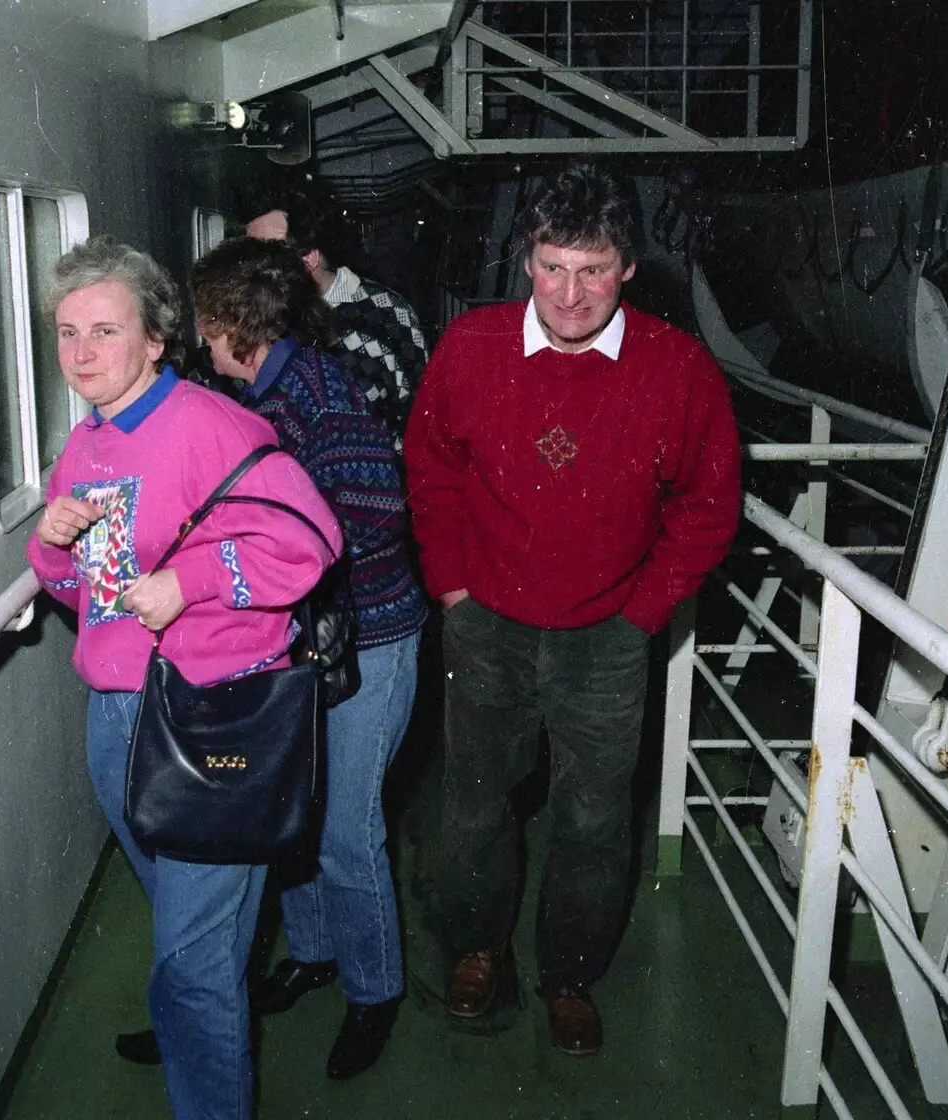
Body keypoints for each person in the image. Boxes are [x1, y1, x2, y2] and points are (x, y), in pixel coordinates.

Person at [402, 166, 742, 1057]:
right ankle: (479, 946)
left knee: (594, 818)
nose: (570, 294)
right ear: (526, 258)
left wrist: (642, 614)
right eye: (553, 267)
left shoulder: (678, 368)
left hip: (608, 638)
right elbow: (431, 471)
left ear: (629, 266)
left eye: (593, 270)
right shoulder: (469, 348)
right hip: (486, 624)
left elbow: (709, 506)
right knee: (475, 800)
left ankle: (569, 973)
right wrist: (452, 586)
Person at [26, 236, 342, 1120]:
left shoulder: (216, 427)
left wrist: (191, 582)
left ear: (157, 339)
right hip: (118, 723)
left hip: (212, 725)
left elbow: (314, 541)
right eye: (66, 333)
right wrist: (49, 545)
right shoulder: (85, 444)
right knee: (193, 944)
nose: (82, 354)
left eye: (105, 331)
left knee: (192, 971)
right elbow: (76, 591)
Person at [190, 236, 429, 1079]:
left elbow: (373, 509)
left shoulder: (312, 394)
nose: (198, 339)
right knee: (300, 807)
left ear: (232, 324)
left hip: (373, 635)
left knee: (344, 826)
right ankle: (318, 952)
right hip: (313, 643)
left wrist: (281, 561)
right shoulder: (266, 391)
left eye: (204, 322)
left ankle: (374, 991)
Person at [242, 188, 428, 449]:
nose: (250, 271)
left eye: (265, 257)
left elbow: (421, 412)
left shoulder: (389, 313)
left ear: (309, 259)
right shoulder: (261, 319)